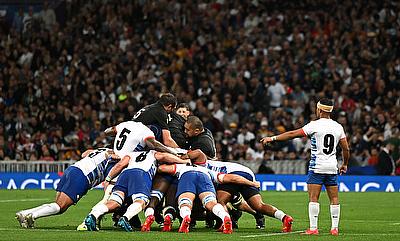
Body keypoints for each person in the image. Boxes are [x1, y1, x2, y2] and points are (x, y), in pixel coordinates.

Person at [260, 98, 350, 236]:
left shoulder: (314, 125)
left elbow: (292, 134)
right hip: (332, 167)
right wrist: (344, 164)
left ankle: (313, 228)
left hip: (317, 167)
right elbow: (346, 149)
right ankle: (334, 228)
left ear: (319, 110)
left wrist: (272, 138)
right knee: (334, 198)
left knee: (314, 198)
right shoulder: (338, 127)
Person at [84, 150, 190, 232]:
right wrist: (183, 161)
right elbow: (164, 156)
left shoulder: (131, 154)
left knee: (115, 201)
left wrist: (108, 179)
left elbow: (119, 165)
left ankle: (92, 215)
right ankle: (125, 218)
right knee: (141, 201)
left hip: (124, 174)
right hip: (141, 174)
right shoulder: (152, 153)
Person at [188, 149, 290, 232]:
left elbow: (233, 178)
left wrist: (252, 184)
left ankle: (226, 224)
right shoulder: (211, 164)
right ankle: (284, 218)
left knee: (220, 202)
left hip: (236, 175)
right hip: (248, 173)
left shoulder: (202, 169)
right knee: (259, 206)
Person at [16, 148, 119, 228]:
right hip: (82, 176)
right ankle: (32, 216)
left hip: (72, 169)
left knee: (57, 204)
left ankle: (24, 213)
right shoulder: (115, 157)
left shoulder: (103, 149)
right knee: (60, 207)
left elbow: (84, 154)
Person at [157, 162, 261, 234]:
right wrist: (251, 183)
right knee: (211, 203)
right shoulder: (209, 170)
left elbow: (162, 168)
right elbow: (231, 178)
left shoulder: (182, 166)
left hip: (187, 175)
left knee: (185, 202)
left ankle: (186, 218)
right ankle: (225, 217)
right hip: (205, 177)